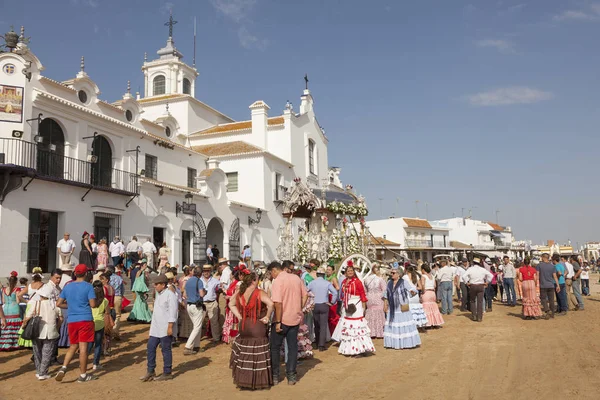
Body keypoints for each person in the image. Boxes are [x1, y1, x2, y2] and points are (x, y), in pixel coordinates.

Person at [229, 271, 274, 390]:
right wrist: (267, 317)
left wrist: (239, 317)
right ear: (254, 280)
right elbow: (271, 304)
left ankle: (244, 380)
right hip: (257, 326)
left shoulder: (240, 292)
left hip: (244, 326)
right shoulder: (259, 292)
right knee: (257, 355)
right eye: (257, 279)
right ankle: (258, 381)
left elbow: (231, 304)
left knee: (245, 354)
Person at [55, 264, 98, 383]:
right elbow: (93, 304)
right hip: (85, 319)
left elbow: (58, 303)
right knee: (83, 348)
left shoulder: (68, 286)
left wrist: (71, 306)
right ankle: (83, 375)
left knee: (73, 345)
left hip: (72, 320)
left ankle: (63, 367)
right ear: (85, 274)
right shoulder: (88, 286)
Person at [268, 261, 307, 385]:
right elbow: (305, 295)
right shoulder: (296, 278)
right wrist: (299, 308)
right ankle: (291, 375)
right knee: (292, 347)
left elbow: (278, 303)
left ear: (274, 270)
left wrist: (278, 321)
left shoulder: (278, 281)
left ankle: (275, 375)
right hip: (294, 318)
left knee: (274, 347)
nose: (271, 275)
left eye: (271, 273)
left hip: (282, 319)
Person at [331, 261, 375, 357]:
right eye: (348, 271)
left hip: (356, 305)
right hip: (347, 305)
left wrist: (363, 308)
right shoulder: (344, 281)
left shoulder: (357, 282)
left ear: (354, 272)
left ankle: (360, 349)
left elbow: (363, 295)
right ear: (346, 272)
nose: (350, 272)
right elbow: (342, 294)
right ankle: (350, 349)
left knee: (356, 327)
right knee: (349, 327)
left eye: (351, 270)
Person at [141, 274, 178, 382]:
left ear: (163, 284)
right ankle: (150, 370)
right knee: (150, 347)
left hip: (165, 327)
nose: (155, 286)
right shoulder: (159, 294)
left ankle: (167, 372)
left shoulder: (170, 295)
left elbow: (173, 312)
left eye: (157, 284)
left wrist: (170, 327)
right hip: (156, 327)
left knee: (166, 350)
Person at [27, 284, 62, 380]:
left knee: (37, 351)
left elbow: (28, 316)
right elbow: (61, 318)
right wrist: (57, 327)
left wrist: (24, 325)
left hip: (36, 330)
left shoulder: (36, 303)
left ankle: (39, 371)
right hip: (51, 331)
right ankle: (43, 372)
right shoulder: (54, 304)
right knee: (47, 352)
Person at [383, 268, 421, 349]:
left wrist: (412, 292)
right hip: (392, 308)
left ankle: (406, 343)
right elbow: (386, 294)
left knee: (404, 324)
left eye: (393, 273)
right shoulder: (389, 283)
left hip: (402, 307)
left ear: (398, 274)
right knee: (393, 325)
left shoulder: (403, 282)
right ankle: (393, 343)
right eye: (391, 273)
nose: (392, 274)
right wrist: (385, 304)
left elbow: (412, 289)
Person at [307, 266, 338, 351]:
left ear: (317, 274)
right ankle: (321, 345)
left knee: (316, 325)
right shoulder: (326, 283)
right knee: (323, 325)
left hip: (315, 305)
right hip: (324, 304)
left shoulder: (312, 283)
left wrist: (309, 301)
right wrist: (332, 302)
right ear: (323, 275)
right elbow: (335, 292)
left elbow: (306, 291)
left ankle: (317, 343)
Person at [17, 268, 45, 348]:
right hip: (40, 305)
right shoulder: (43, 285)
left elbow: (19, 295)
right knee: (38, 323)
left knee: (27, 322)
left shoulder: (29, 286)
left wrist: (27, 301)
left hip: (30, 305)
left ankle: (26, 341)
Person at [183, 266, 207, 355]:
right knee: (197, 327)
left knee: (197, 326)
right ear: (201, 274)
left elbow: (185, 295)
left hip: (189, 305)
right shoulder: (199, 281)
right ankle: (188, 346)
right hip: (196, 306)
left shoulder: (188, 280)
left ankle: (196, 346)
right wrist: (205, 292)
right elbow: (201, 294)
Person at [462, 258, 493, 322]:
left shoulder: (470, 269)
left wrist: (466, 282)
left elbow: (463, 276)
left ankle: (474, 316)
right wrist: (487, 282)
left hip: (473, 285)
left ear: (473, 262)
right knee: (480, 302)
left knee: (472, 301)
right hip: (481, 285)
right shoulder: (482, 269)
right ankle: (479, 317)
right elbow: (491, 275)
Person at [88, 282, 109, 371]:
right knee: (98, 344)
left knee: (89, 344)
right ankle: (95, 363)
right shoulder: (105, 301)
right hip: (100, 323)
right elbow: (107, 312)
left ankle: (84, 362)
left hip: (90, 322)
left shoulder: (89, 300)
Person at [363, 264, 386, 338]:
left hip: (369, 298)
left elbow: (365, 291)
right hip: (378, 298)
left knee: (370, 314)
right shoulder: (380, 279)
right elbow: (384, 291)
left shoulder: (366, 279)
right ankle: (379, 332)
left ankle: (371, 332)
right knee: (379, 314)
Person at [200, 264, 221, 342]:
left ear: (211, 271)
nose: (206, 272)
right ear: (202, 272)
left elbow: (221, 288)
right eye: (205, 271)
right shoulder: (199, 280)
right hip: (202, 303)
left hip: (212, 302)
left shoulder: (215, 281)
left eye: (208, 271)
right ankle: (197, 338)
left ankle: (216, 338)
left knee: (214, 322)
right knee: (199, 322)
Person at [0, 272, 21, 351]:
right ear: (16, 281)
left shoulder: (4, 289)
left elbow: (3, 301)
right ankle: (14, 343)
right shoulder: (17, 289)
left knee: (6, 325)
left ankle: (5, 344)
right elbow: (18, 301)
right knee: (15, 325)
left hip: (6, 309)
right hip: (14, 307)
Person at [537, 253, 560, 319]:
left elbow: (537, 275)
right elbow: (555, 276)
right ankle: (552, 314)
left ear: (543, 257)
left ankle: (547, 310)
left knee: (543, 299)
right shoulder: (552, 266)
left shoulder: (539, 265)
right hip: (551, 285)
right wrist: (558, 285)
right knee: (551, 300)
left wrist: (536, 283)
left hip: (543, 285)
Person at [106, 266, 124, 340]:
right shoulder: (119, 278)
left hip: (108, 297)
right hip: (117, 296)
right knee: (117, 315)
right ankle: (115, 331)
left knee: (108, 314)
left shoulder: (106, 278)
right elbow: (122, 288)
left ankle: (108, 331)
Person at [324, 261, 340, 334]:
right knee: (327, 316)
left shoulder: (333, 278)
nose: (327, 271)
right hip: (326, 297)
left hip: (331, 297)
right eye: (327, 269)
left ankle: (333, 331)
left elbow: (337, 288)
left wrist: (330, 290)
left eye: (329, 270)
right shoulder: (325, 277)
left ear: (333, 271)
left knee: (332, 316)